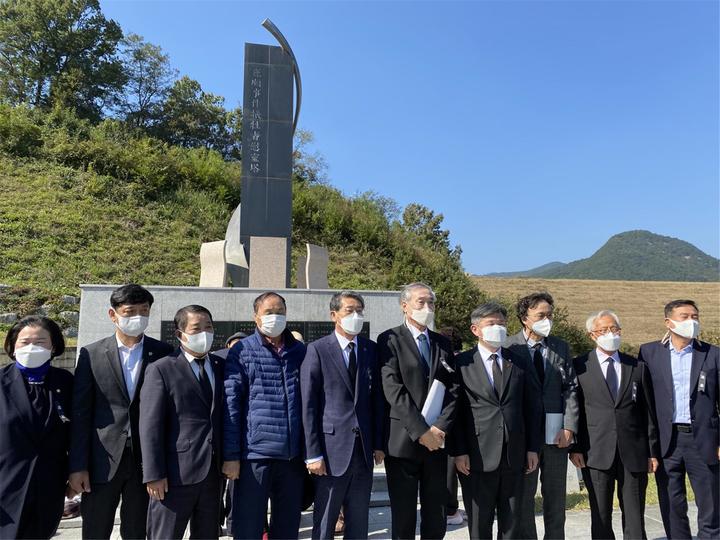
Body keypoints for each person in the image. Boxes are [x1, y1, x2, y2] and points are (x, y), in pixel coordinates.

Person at [68, 283, 172, 540]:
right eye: (130, 311)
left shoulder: (163, 353)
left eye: (144, 310)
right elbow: (81, 414)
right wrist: (78, 466)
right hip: (102, 461)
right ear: (113, 315)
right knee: (95, 528)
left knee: (137, 530)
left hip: (145, 462)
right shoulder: (92, 354)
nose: (137, 317)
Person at [451, 302, 541, 540]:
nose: (498, 328)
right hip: (477, 454)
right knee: (480, 522)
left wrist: (533, 447)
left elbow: (531, 407)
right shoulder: (462, 364)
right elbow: (456, 412)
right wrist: (459, 451)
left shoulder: (519, 360)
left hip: (515, 454)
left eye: (502, 324)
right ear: (475, 330)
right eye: (491, 324)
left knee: (511, 521)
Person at [301, 291, 386, 539]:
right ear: (334, 315)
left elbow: (376, 400)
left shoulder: (370, 349)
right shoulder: (317, 350)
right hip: (330, 451)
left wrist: (378, 443)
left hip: (363, 449)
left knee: (358, 520)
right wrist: (312, 453)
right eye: (350, 310)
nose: (356, 315)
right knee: (326, 519)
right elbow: (308, 405)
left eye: (360, 310)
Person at [223, 292, 307, 540]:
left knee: (287, 526)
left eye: (280, 312)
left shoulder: (299, 351)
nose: (275, 317)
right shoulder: (242, 351)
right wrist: (231, 456)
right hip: (254, 456)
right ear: (256, 317)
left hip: (291, 457)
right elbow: (231, 405)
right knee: (248, 526)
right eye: (269, 312)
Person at [379, 282, 459, 540]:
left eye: (431, 303)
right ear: (405, 306)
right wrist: (421, 430)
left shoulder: (442, 343)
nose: (427, 308)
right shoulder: (389, 340)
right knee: (403, 515)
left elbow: (454, 388)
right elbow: (393, 390)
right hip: (403, 441)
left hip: (437, 442)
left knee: (436, 513)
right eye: (421, 302)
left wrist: (439, 428)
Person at [570, 310, 659, 540]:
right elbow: (575, 409)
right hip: (595, 451)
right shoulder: (579, 366)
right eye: (603, 330)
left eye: (614, 329)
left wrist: (652, 451)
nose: (610, 334)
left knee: (634, 512)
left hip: (634, 451)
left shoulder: (637, 366)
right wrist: (575, 447)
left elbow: (647, 412)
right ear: (592, 335)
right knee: (600, 512)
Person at [139, 305, 224, 540]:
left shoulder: (220, 366)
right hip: (174, 474)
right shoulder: (161, 369)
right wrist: (154, 473)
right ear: (179, 334)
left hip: (212, 473)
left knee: (208, 534)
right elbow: (150, 425)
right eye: (196, 328)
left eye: (209, 327)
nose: (204, 333)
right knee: (165, 535)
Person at [639, 299, 719, 539]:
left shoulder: (713, 354)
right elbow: (645, 403)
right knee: (672, 503)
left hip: (704, 439)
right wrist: (649, 448)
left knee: (711, 504)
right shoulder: (650, 352)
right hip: (667, 441)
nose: (692, 321)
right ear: (668, 322)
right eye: (684, 316)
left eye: (695, 316)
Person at [505, 292, 579, 539]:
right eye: (541, 315)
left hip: (556, 434)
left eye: (550, 315)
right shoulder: (509, 347)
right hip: (524, 435)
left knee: (556, 496)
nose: (547, 319)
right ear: (525, 319)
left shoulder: (560, 347)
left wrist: (569, 426)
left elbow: (570, 387)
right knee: (524, 497)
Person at [0, 316, 73, 539]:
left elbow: (77, 432)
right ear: (13, 346)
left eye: (40, 342)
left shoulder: (66, 382)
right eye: (25, 341)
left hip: (49, 485)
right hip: (6, 485)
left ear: (54, 346)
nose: (32, 347)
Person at [211, 330, 247, 534]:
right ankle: (226, 522)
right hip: (224, 433)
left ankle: (224, 522)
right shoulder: (217, 362)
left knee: (229, 485)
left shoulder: (218, 360)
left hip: (230, 433)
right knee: (224, 484)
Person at [438, 326, 466, 527]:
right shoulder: (465, 360)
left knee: (448, 469)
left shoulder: (445, 362)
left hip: (447, 424)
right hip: (465, 425)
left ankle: (450, 510)